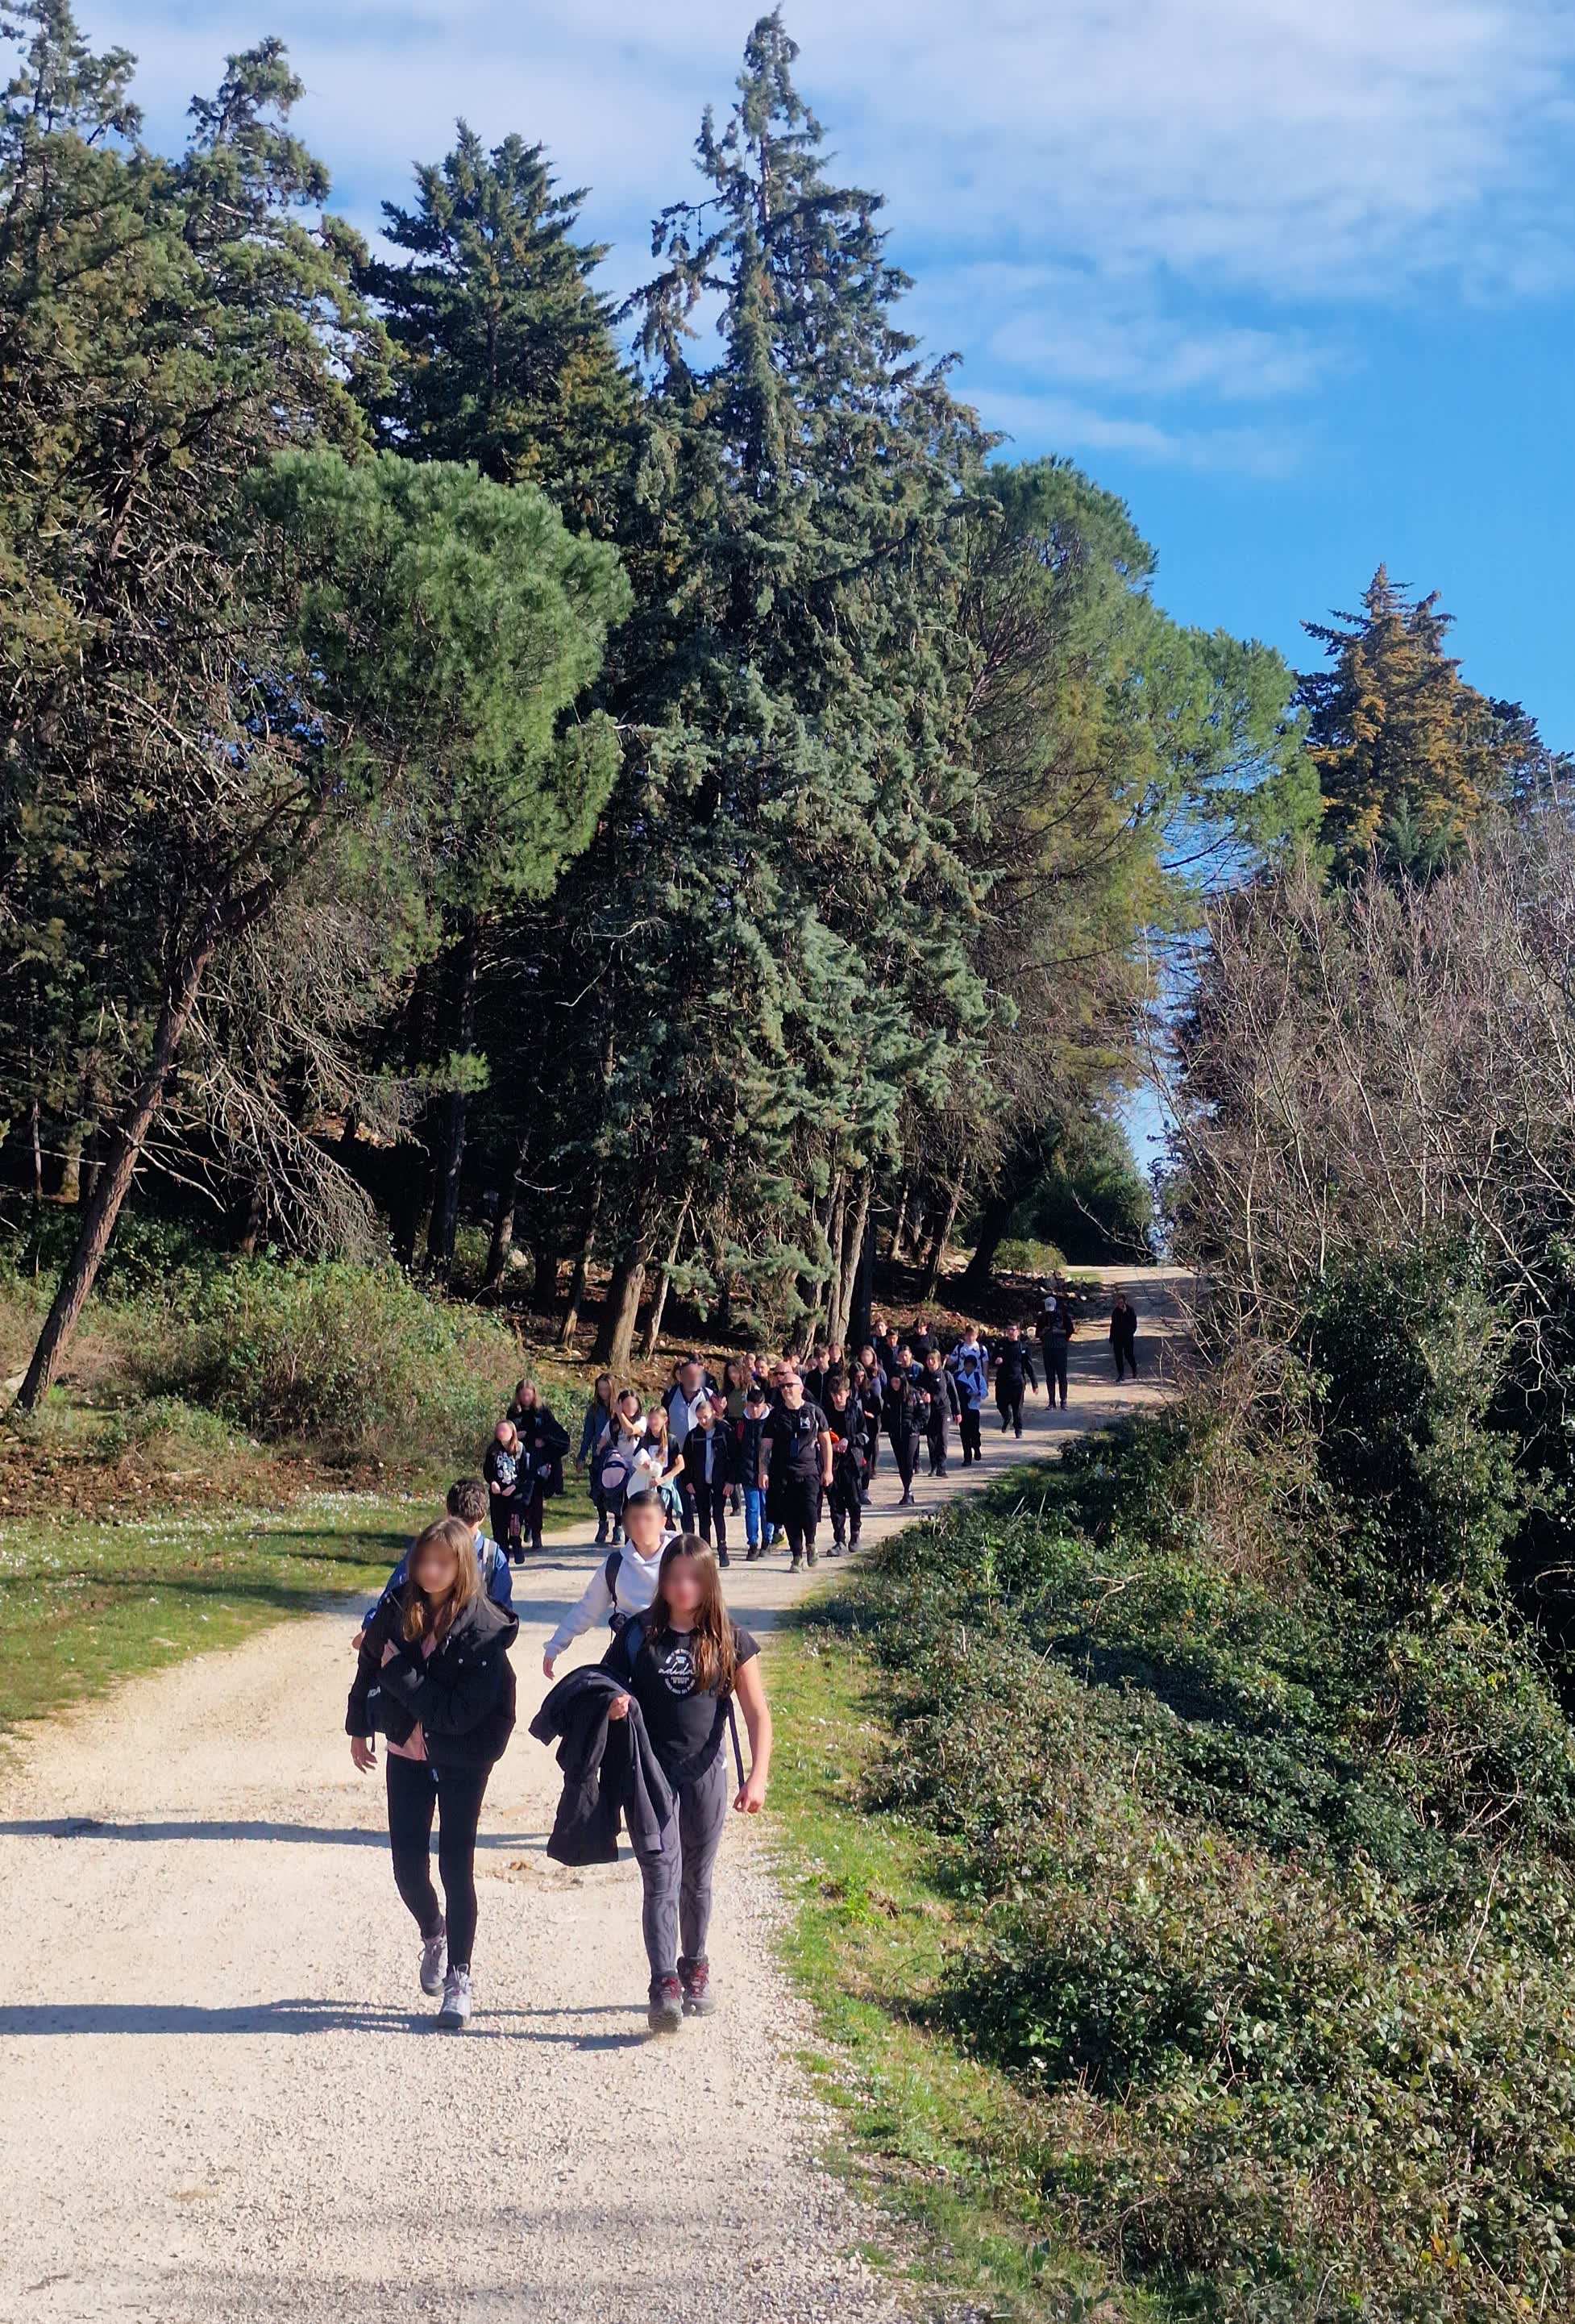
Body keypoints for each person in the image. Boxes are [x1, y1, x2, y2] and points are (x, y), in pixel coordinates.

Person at [347, 1515, 518, 2031]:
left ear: (462, 1564)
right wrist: (359, 1725)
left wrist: (401, 1676)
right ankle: (433, 1932)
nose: (429, 1571)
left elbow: (454, 1713)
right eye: (423, 1560)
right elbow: (369, 1661)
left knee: (455, 1866)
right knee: (406, 1867)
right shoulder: (400, 1607)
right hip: (406, 1750)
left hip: (464, 1755)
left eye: (441, 1562)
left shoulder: (484, 1626)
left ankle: (460, 1978)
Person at [605, 1536, 772, 2031]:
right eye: (674, 1577)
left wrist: (757, 1777)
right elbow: (603, 1682)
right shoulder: (638, 1635)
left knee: (696, 1880)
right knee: (660, 1877)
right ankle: (663, 1984)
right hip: (651, 1778)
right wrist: (614, 1704)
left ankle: (694, 1964)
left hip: (706, 1777)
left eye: (693, 1578)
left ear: (708, 1582)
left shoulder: (730, 1639)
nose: (682, 1587)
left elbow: (758, 1713)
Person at [355, 1479, 513, 1647]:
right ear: (447, 1513)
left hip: (472, 1647)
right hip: (426, 1641)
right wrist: (372, 1627)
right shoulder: (425, 1548)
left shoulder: (492, 1556)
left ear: (482, 1518)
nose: (462, 1532)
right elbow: (396, 1591)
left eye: (469, 1524)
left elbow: (502, 1614)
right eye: (458, 1522)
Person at [542, 1487, 675, 1678]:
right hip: (630, 1650)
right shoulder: (615, 1564)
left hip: (673, 1652)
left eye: (648, 1518)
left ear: (663, 1522)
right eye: (635, 1518)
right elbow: (587, 1608)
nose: (641, 1525)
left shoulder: (681, 1557)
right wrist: (556, 1645)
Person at [760, 1368, 833, 1570]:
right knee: (789, 1516)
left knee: (809, 1511)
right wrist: (762, 1471)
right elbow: (766, 1445)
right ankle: (796, 1556)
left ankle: (811, 1543)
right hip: (782, 1473)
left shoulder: (814, 1411)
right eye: (782, 1386)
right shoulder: (775, 1416)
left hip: (809, 1471)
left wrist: (828, 1470)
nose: (785, 1389)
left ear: (801, 1388)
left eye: (789, 1385)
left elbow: (826, 1442)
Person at [509, 1380, 571, 1555]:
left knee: (535, 1498)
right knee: (521, 1499)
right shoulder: (514, 1412)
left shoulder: (542, 1412)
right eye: (522, 1395)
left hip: (538, 1463)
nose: (526, 1398)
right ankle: (519, 1533)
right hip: (518, 1462)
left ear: (534, 1395)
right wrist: (518, 1436)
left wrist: (544, 1440)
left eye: (528, 1395)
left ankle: (536, 1533)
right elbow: (508, 1434)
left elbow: (556, 1434)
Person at [729, 1379, 772, 1558]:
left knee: (767, 1509)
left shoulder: (771, 1422)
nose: (754, 1410)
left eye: (758, 1406)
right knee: (752, 1510)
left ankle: (767, 1541)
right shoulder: (741, 1425)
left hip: (768, 1474)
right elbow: (736, 1452)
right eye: (751, 1405)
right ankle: (753, 1543)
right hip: (748, 1473)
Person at [824, 1378, 866, 1553]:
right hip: (832, 1463)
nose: (837, 1398)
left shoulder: (855, 1411)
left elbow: (865, 1436)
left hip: (852, 1462)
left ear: (848, 1393)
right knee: (835, 1503)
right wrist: (829, 1446)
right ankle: (839, 1540)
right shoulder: (825, 1412)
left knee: (854, 1501)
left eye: (840, 1394)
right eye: (834, 1395)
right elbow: (820, 1436)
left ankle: (855, 1534)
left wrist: (849, 1440)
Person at [688, 1396, 731, 1565]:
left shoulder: (724, 1432)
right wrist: (688, 1481)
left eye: (705, 1417)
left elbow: (733, 1458)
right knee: (703, 1517)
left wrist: (731, 1481)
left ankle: (723, 1549)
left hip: (720, 1481)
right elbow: (688, 1460)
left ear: (713, 1413)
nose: (703, 1421)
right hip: (700, 1482)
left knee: (718, 1515)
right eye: (699, 1418)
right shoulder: (694, 1435)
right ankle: (705, 1551)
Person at [577, 1374, 618, 1546]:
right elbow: (588, 1434)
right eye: (600, 1389)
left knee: (617, 1493)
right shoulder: (594, 1409)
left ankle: (619, 1525)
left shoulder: (620, 1408)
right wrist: (582, 1455)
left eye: (606, 1389)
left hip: (616, 1456)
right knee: (597, 1492)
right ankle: (603, 1522)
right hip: (597, 1456)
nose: (603, 1393)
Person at [882, 1347, 925, 1507]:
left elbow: (923, 1414)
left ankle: (908, 1491)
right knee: (901, 1464)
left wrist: (914, 1426)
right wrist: (889, 1427)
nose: (895, 1385)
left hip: (911, 1435)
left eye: (897, 1382)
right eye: (893, 1382)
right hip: (896, 1434)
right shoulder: (889, 1396)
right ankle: (908, 1491)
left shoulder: (913, 1394)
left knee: (908, 1462)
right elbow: (885, 1414)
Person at [947, 1328, 990, 1465]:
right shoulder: (958, 1376)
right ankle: (967, 1457)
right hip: (962, 1406)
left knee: (974, 1432)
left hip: (974, 1406)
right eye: (967, 1366)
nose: (969, 1368)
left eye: (971, 1366)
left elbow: (985, 1391)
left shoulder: (978, 1377)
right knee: (964, 1432)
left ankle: (976, 1447)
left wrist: (977, 1393)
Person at [482, 1420, 522, 1560]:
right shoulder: (492, 1450)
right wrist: (492, 1482)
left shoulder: (520, 1449)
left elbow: (526, 1473)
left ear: (512, 1432)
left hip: (515, 1494)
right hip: (497, 1494)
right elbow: (487, 1471)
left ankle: (517, 1547)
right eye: (499, 1430)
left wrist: (514, 1486)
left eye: (504, 1430)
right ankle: (502, 1552)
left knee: (514, 1523)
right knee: (498, 1524)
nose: (501, 1433)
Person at [919, 1346, 961, 1477]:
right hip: (930, 1411)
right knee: (932, 1438)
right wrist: (923, 1394)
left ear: (938, 1361)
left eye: (933, 1360)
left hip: (944, 1410)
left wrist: (957, 1412)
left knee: (942, 1436)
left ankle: (942, 1467)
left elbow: (952, 1394)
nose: (930, 1362)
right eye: (928, 1359)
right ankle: (934, 1466)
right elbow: (917, 1388)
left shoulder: (945, 1375)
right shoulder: (924, 1376)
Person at [992, 1324, 1039, 1438]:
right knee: (1000, 1404)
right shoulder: (1001, 1344)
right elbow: (991, 1358)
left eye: (1013, 1330)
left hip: (1017, 1382)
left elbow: (1029, 1367)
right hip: (1002, 1381)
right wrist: (996, 1360)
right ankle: (1007, 1418)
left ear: (1018, 1332)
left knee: (1017, 1408)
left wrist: (1035, 1384)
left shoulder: (1023, 1347)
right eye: (1008, 1330)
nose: (1011, 1332)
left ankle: (1018, 1430)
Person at [1038, 1291, 1074, 1412]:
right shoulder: (1042, 1317)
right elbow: (1038, 1333)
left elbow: (1070, 1330)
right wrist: (1045, 1331)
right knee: (1050, 1376)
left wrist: (1057, 1331)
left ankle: (1063, 1401)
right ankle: (1051, 1401)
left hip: (1060, 1348)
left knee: (1062, 1376)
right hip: (1047, 1348)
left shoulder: (1063, 1315)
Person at [1110, 1290, 1140, 1381]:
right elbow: (1113, 1325)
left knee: (1128, 1355)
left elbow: (1134, 1324)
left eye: (1121, 1302)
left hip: (1127, 1337)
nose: (1120, 1304)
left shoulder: (1130, 1310)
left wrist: (1130, 1333)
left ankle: (1134, 1370)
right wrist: (1111, 1337)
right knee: (1118, 1356)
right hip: (1117, 1338)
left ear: (1125, 1302)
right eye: (1118, 1303)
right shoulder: (1115, 1312)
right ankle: (1121, 1374)